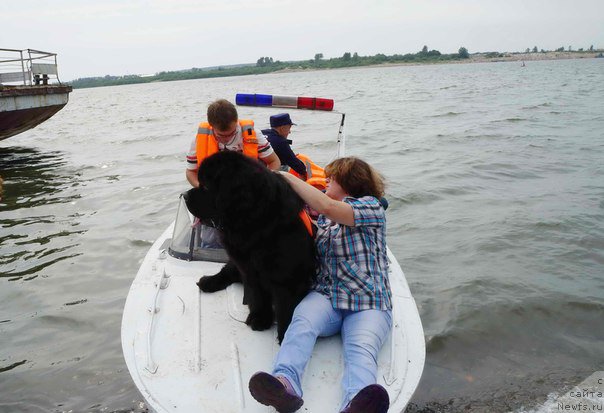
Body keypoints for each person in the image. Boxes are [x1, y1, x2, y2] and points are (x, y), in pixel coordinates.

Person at [248, 157, 392, 413]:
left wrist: (284, 175)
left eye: (332, 179)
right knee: (301, 325)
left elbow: (325, 206)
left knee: (361, 348)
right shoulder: (326, 221)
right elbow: (311, 216)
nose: (326, 182)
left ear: (349, 182)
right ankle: (285, 386)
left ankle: (357, 403)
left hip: (367, 301)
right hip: (327, 296)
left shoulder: (371, 209)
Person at [186, 99, 280, 188]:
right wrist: (201, 187)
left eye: (232, 133)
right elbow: (191, 172)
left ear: (236, 121)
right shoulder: (198, 139)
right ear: (211, 125)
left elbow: (274, 161)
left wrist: (265, 181)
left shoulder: (253, 134)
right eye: (221, 135)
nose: (227, 138)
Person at [262, 113, 308, 180]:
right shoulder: (280, 141)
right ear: (282, 128)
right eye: (289, 128)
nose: (290, 132)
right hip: (269, 175)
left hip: (258, 168)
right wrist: (304, 172)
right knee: (284, 165)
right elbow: (294, 163)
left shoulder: (262, 133)